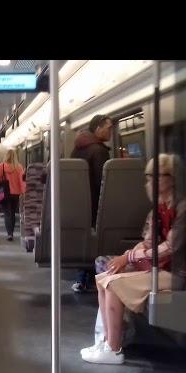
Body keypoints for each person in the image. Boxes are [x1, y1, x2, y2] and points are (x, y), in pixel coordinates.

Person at [81, 153, 186, 365]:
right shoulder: (160, 206)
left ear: (173, 178)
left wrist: (129, 256)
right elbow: (150, 242)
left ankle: (114, 349)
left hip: (182, 273)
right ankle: (105, 341)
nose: (151, 180)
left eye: (158, 175)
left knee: (113, 284)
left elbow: (170, 247)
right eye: (150, 176)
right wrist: (128, 255)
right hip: (164, 269)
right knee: (103, 278)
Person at [70, 114, 113, 293]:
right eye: (108, 127)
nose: (111, 131)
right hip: (95, 204)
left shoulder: (77, 149)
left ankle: (81, 279)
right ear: (97, 128)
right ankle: (92, 279)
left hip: (79, 203)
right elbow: (102, 182)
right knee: (97, 242)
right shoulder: (99, 151)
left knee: (87, 241)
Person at [0, 149, 25, 241]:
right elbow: (22, 181)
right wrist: (23, 192)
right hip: (15, 194)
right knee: (12, 213)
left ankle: (10, 233)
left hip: (5, 193)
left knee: (7, 213)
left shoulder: (2, 167)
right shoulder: (19, 167)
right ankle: (11, 231)